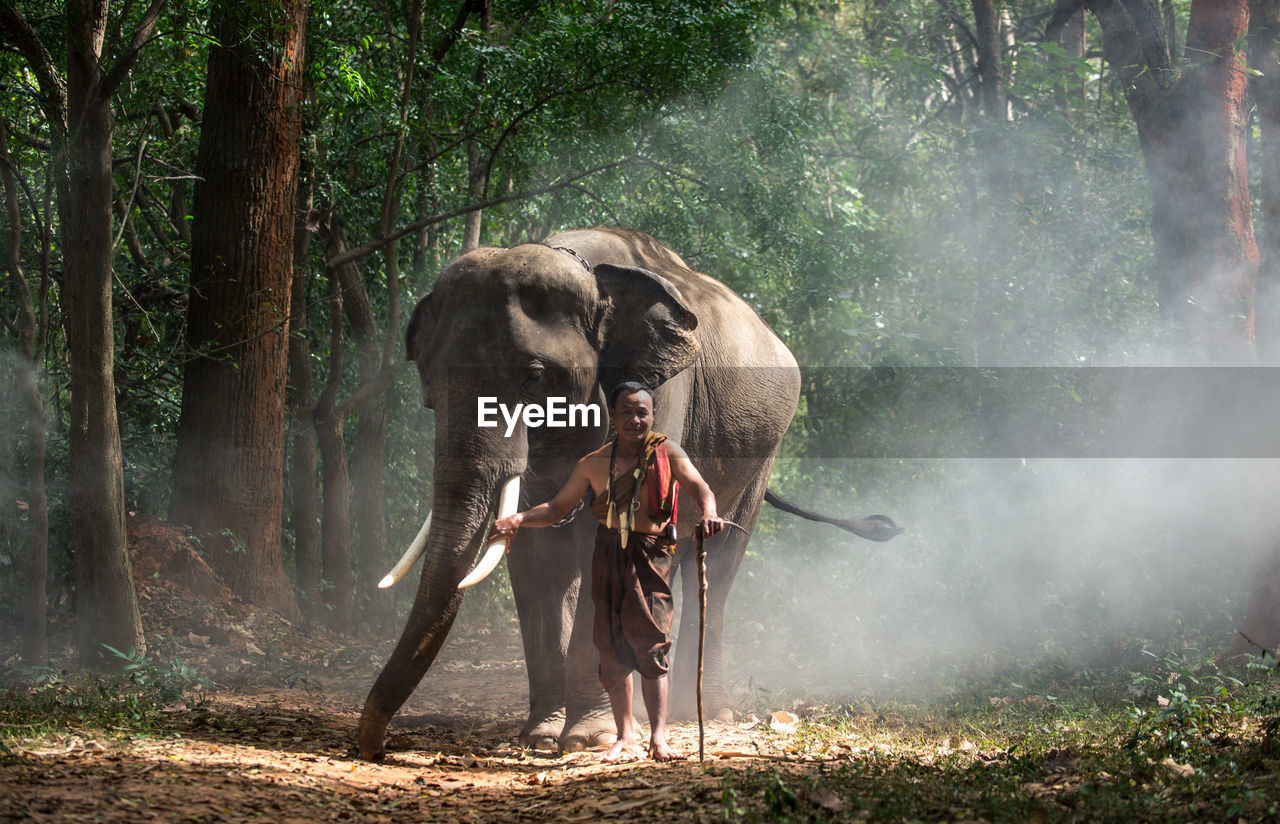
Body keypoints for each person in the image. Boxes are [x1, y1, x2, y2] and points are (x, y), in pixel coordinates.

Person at [491, 381, 724, 761]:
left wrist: (710, 513)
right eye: (627, 412)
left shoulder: (668, 453)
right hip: (608, 555)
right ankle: (625, 735)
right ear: (612, 417)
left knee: (651, 645)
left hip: (651, 557)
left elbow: (702, 489)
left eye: (642, 412)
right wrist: (517, 519)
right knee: (612, 648)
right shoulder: (593, 463)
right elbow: (555, 508)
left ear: (652, 415)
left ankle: (659, 738)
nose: (635, 419)